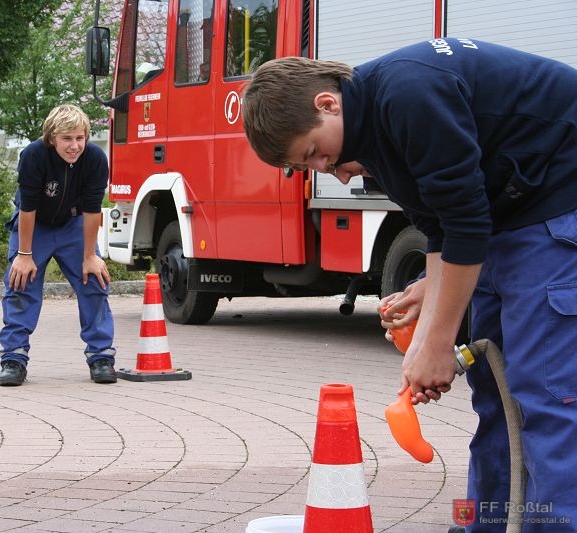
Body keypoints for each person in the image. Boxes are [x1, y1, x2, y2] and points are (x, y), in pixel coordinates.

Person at [242, 39, 577, 530]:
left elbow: (465, 224)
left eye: (313, 153)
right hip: (509, 216)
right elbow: (440, 228)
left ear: (327, 103)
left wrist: (437, 344)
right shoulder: (370, 140)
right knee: (495, 392)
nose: (324, 170)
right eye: (307, 165)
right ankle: (486, 524)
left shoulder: (408, 94)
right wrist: (426, 307)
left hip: (558, 201)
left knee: (545, 398)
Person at [0, 104, 117, 386]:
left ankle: (101, 356)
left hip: (74, 225)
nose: (74, 146)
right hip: (34, 224)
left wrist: (89, 255)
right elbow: (27, 207)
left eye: (80, 138)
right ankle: (14, 358)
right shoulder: (33, 155)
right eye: (67, 139)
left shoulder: (95, 159)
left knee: (94, 280)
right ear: (51, 138)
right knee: (20, 283)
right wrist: (24, 254)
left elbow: (92, 210)